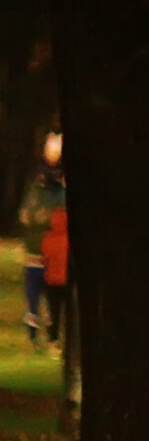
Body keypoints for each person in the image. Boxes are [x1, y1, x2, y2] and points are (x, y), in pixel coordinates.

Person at [17, 134, 63, 351]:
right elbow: (27, 214)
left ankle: (51, 336)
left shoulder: (58, 187)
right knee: (35, 296)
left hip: (54, 255)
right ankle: (36, 334)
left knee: (53, 299)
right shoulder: (38, 183)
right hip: (39, 252)